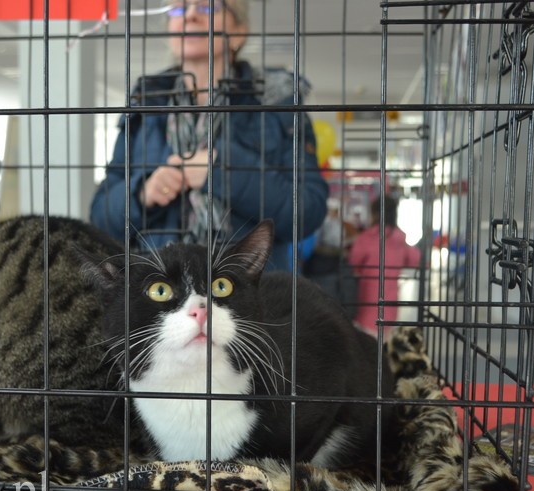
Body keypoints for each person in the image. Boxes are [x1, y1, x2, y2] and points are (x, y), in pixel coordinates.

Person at [90, 0, 328, 271]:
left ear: (238, 32)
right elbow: (100, 217)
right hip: (159, 289)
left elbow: (308, 211)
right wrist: (142, 192)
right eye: (179, 9)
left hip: (251, 292)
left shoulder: (277, 103)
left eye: (208, 8)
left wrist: (219, 171)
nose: (190, 16)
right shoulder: (145, 104)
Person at [348, 196, 421, 336]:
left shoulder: (367, 237)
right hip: (390, 301)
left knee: (367, 342)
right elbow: (414, 259)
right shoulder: (399, 238)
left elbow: (354, 260)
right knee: (384, 340)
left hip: (366, 301)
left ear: (374, 213)